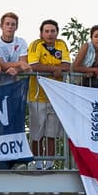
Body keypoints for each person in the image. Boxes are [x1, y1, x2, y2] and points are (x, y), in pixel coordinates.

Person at [27, 19, 71, 169]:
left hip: (55, 97)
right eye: (47, 31)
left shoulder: (61, 44)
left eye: (53, 31)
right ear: (41, 33)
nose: (50, 34)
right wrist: (54, 69)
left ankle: (51, 163)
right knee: (37, 133)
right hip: (37, 96)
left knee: (52, 133)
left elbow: (66, 66)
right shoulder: (36, 45)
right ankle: (38, 163)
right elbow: (34, 66)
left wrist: (51, 69)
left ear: (57, 32)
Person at [0, 12, 29, 88]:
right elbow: (1, 65)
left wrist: (17, 70)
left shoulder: (21, 42)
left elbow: (24, 64)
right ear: (1, 26)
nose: (10, 27)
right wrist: (20, 64)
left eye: (13, 24)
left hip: (12, 88)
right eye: (7, 24)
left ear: (16, 27)